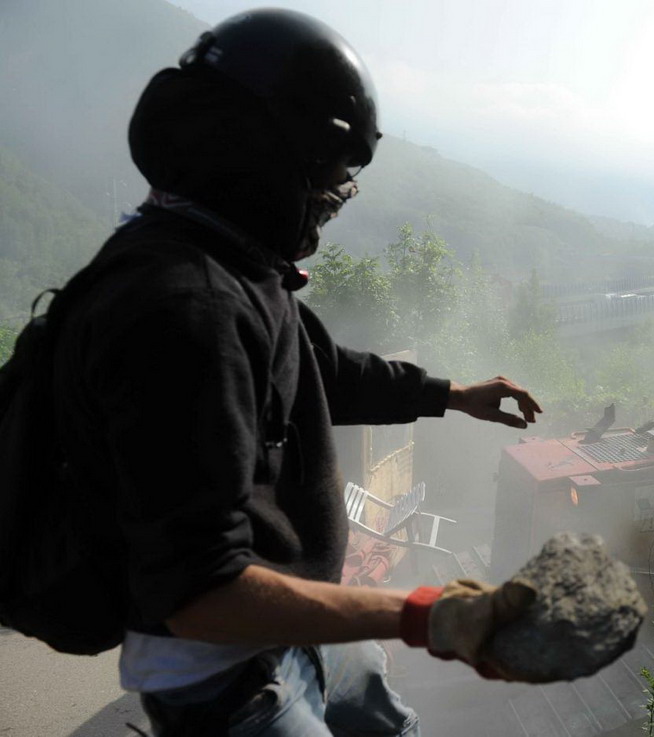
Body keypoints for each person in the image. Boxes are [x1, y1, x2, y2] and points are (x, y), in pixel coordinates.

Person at [52, 9, 542, 736]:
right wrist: (424, 614)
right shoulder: (186, 310)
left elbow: (319, 372)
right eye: (331, 176)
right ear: (272, 160)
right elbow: (201, 594)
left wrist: (453, 395)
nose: (335, 199)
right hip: (229, 681)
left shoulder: (229, 262)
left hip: (297, 629)